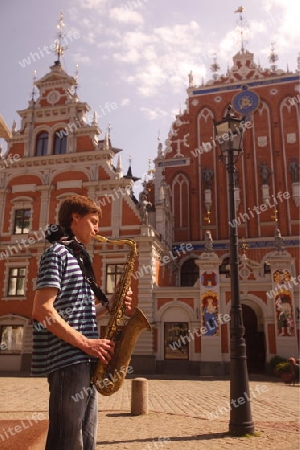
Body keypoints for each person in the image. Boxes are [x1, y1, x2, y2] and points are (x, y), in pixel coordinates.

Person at [31, 195, 133, 450]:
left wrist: (113, 302)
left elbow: (80, 312)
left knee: (86, 440)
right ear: (75, 218)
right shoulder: (56, 253)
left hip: (85, 360)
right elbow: (41, 309)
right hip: (69, 360)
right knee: (66, 441)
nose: (98, 229)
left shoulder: (78, 259)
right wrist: (86, 343)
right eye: (94, 221)